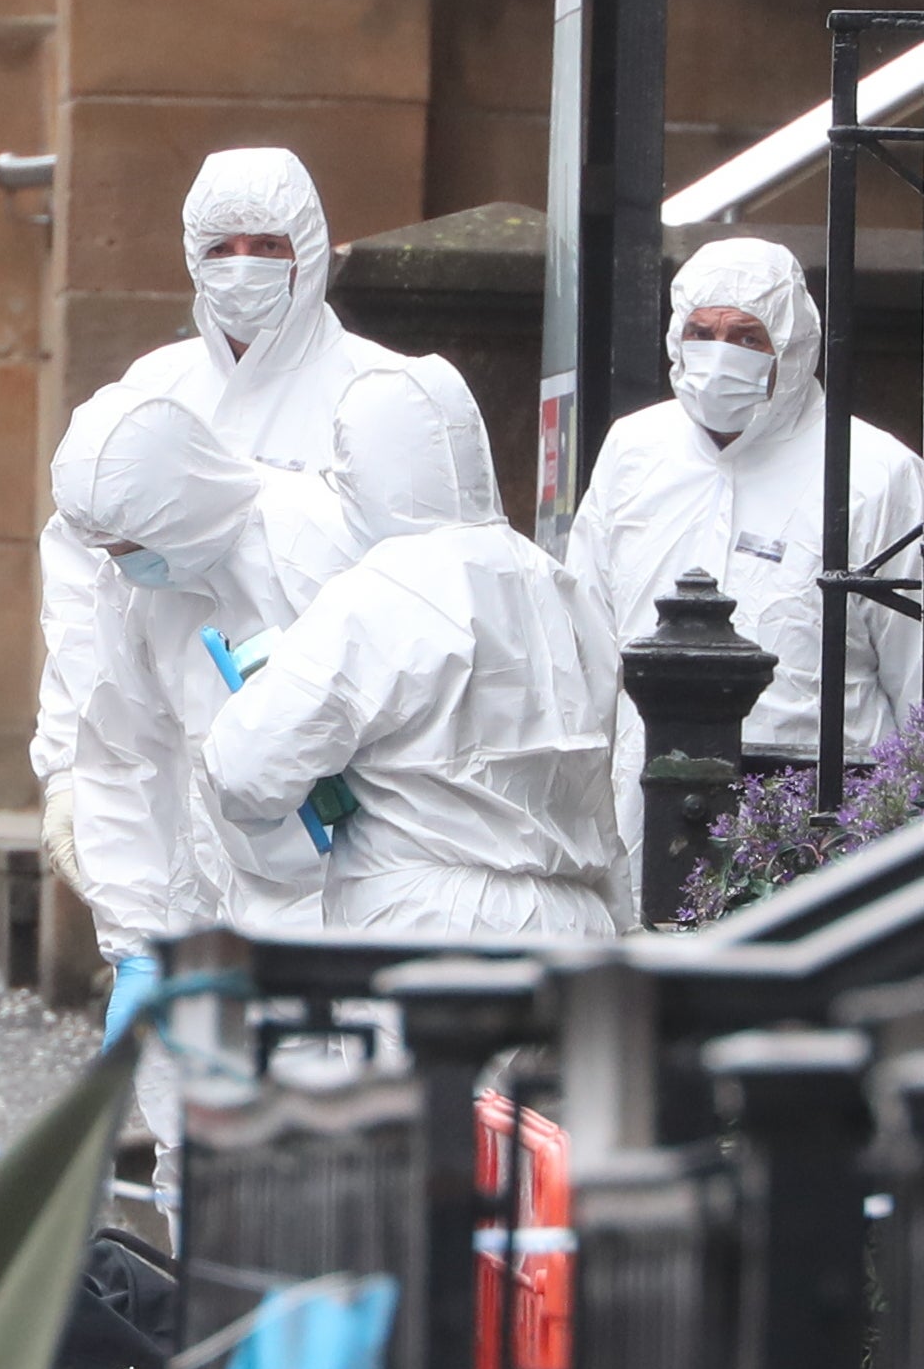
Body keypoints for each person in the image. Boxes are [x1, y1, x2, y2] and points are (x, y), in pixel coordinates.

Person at [32, 146, 400, 957]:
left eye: (266, 246)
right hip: (167, 764)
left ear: (309, 246)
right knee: (183, 1037)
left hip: (341, 792)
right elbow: (80, 598)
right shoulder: (149, 393)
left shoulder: (380, 396)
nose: (242, 269)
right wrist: (67, 763)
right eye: (220, 249)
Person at [566, 236, 924, 872]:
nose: (718, 353)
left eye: (747, 337)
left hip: (821, 796)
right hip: (651, 790)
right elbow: (586, 634)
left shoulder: (873, 471)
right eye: (700, 331)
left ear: (792, 346)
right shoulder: (634, 450)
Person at [201, 361, 626, 938]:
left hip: (425, 925)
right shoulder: (558, 588)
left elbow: (247, 771)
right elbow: (601, 792)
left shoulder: (381, 591)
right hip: (574, 923)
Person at [53, 387, 354, 1155]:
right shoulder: (137, 589)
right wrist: (135, 942)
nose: (125, 568)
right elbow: (125, 758)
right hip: (219, 897)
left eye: (130, 548)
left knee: (330, 1166)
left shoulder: (315, 542)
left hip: (345, 905)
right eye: (109, 553)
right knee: (198, 1164)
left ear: (174, 509)